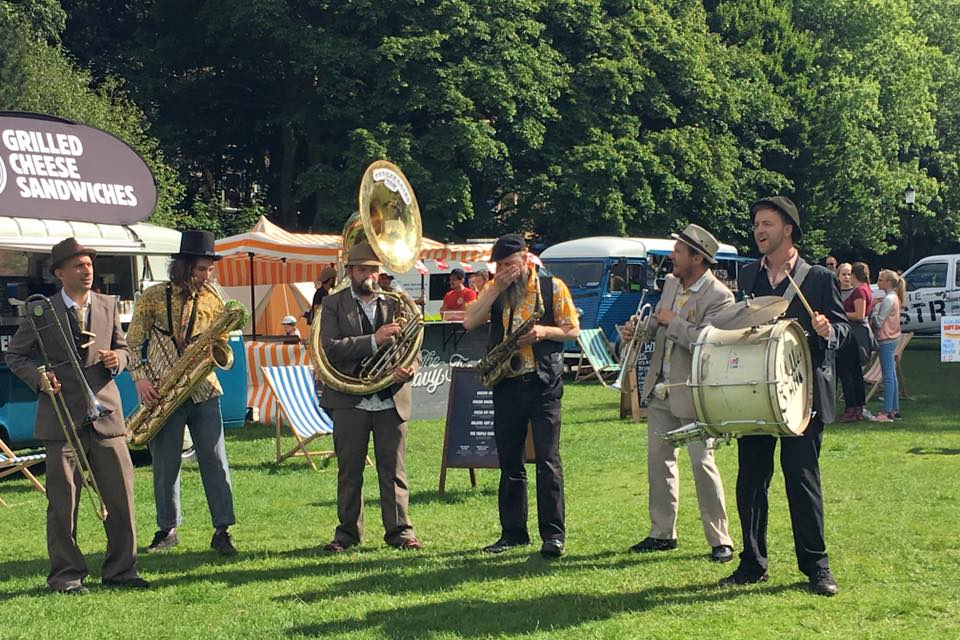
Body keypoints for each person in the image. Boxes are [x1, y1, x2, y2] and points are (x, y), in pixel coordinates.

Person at [6, 238, 149, 594]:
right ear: (59, 274)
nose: (87, 271)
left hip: (106, 414)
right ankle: (66, 576)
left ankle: (121, 570)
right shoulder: (42, 310)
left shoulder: (108, 304)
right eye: (78, 266)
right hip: (61, 419)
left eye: (89, 265)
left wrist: (120, 360)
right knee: (63, 503)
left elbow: (124, 347)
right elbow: (16, 356)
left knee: (121, 496)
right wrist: (39, 378)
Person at [721, 196, 847, 596]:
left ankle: (816, 566)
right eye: (757, 224)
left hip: (802, 394)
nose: (759, 231)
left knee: (801, 480)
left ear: (788, 229)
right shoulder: (748, 277)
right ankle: (752, 562)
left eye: (767, 224)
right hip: (755, 393)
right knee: (752, 479)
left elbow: (845, 334)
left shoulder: (818, 279)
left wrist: (829, 330)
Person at [620, 224, 735, 563]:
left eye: (679, 252)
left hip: (695, 391)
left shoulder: (720, 296)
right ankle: (662, 533)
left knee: (703, 463)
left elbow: (709, 343)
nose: (672, 256)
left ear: (697, 258)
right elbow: (657, 323)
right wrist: (638, 329)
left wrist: (674, 322)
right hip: (660, 389)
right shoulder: (671, 283)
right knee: (659, 462)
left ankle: (720, 539)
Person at [463, 234, 580, 558]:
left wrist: (544, 332)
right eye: (499, 265)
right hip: (508, 384)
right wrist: (495, 287)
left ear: (526, 259)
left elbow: (572, 330)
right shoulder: (496, 289)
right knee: (510, 462)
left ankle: (553, 535)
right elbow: (469, 321)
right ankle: (513, 532)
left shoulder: (552, 287)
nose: (504, 271)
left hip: (543, 382)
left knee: (547, 460)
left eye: (509, 265)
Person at [126, 230, 238, 556]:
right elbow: (133, 343)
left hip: (204, 390)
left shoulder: (214, 299)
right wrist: (141, 379)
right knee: (165, 465)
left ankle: (223, 529)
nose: (206, 277)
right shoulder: (152, 296)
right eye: (201, 269)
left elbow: (223, 343)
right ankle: (167, 529)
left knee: (216, 462)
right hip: (162, 390)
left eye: (210, 270)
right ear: (183, 265)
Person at [318, 242, 423, 552]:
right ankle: (347, 534)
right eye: (363, 269)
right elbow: (331, 348)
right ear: (349, 271)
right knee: (350, 470)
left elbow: (412, 343)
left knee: (394, 471)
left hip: (391, 398)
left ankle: (401, 533)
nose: (370, 275)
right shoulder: (334, 304)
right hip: (351, 399)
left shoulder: (396, 302)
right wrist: (373, 340)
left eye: (374, 269)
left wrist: (410, 368)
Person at [837, 262, 873, 423]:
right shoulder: (866, 288)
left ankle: (852, 408)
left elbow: (859, 315)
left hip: (855, 335)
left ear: (854, 275)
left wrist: (839, 313)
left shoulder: (859, 290)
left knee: (848, 373)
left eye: (849, 273)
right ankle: (858, 407)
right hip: (857, 334)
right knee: (856, 373)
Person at [870, 269, 905, 422]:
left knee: (888, 376)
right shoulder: (894, 297)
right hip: (893, 338)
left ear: (888, 283)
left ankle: (886, 411)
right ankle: (894, 409)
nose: (878, 282)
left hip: (886, 339)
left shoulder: (889, 299)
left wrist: (871, 310)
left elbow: (878, 322)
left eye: (881, 279)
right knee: (892, 375)